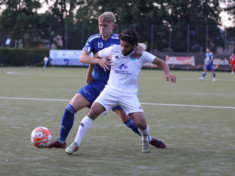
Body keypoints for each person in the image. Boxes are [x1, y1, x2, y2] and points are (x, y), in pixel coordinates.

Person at [49, 12, 165, 149]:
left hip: (115, 87)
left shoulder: (119, 40)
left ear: (112, 26)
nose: (102, 28)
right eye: (100, 25)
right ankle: (62, 141)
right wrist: (93, 67)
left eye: (105, 25)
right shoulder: (93, 39)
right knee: (69, 109)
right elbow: (82, 57)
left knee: (127, 121)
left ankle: (149, 139)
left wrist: (142, 47)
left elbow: (139, 46)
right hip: (95, 85)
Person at [65, 29, 176, 155]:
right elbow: (96, 56)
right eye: (122, 44)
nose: (123, 48)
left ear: (134, 46)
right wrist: (91, 70)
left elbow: (161, 62)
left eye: (126, 46)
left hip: (129, 94)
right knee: (93, 111)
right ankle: (76, 143)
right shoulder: (114, 49)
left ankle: (145, 138)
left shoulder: (141, 55)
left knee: (141, 123)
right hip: (110, 90)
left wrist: (168, 73)